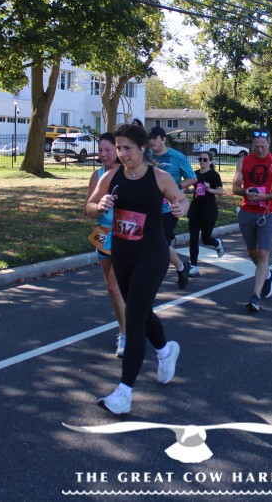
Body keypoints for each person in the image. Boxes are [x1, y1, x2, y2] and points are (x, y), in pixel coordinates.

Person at [85, 123, 190, 415]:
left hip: (152, 253)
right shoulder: (111, 176)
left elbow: (182, 200)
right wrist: (99, 205)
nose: (122, 153)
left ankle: (124, 392)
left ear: (142, 148)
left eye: (127, 148)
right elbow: (88, 207)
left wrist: (181, 207)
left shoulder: (160, 177)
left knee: (133, 318)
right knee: (139, 310)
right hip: (122, 252)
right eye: (118, 148)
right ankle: (165, 351)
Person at [232, 130, 272, 313]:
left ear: (269, 144)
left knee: (263, 253)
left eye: (263, 146)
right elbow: (235, 187)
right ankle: (268, 274)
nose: (259, 150)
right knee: (252, 253)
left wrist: (265, 196)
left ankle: (255, 297)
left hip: (268, 212)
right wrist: (245, 192)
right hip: (247, 211)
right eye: (256, 146)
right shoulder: (244, 161)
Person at [85, 133, 126, 357]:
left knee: (114, 287)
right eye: (100, 150)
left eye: (108, 149)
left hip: (125, 235)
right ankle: (126, 325)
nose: (103, 154)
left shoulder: (129, 172)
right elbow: (88, 209)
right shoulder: (98, 175)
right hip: (103, 234)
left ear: (118, 150)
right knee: (113, 290)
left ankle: (125, 333)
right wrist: (99, 206)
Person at [147, 127, 197, 289]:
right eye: (149, 138)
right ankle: (182, 267)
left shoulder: (177, 157)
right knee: (157, 245)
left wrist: (177, 186)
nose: (151, 141)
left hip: (169, 209)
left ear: (163, 139)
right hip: (148, 209)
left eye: (154, 138)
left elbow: (192, 178)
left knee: (160, 245)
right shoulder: (146, 155)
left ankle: (151, 283)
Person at [187, 150, 226, 276]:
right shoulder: (195, 174)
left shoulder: (213, 175)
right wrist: (184, 189)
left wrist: (209, 189)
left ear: (210, 161)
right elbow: (193, 189)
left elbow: (220, 192)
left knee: (206, 239)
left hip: (208, 211)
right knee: (193, 238)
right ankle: (194, 266)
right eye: (200, 159)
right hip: (195, 209)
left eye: (205, 159)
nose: (202, 161)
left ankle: (217, 243)